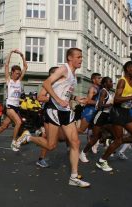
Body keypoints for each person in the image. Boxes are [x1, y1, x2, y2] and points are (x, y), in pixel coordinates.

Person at [16, 48, 91, 187]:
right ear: (70, 58)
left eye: (82, 57)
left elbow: (64, 93)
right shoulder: (64, 69)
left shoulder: (73, 76)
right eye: (79, 57)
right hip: (55, 110)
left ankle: (74, 177)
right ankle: (29, 137)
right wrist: (57, 99)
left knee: (76, 143)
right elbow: (45, 84)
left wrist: (76, 98)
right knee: (51, 145)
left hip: (66, 111)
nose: (81, 59)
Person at [0, 49, 28, 151]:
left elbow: (25, 66)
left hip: (16, 107)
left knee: (4, 126)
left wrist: (22, 55)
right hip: (9, 106)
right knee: (18, 122)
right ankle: (13, 143)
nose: (18, 75)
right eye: (17, 73)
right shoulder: (9, 80)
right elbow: (7, 65)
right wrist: (11, 53)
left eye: (19, 73)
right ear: (12, 73)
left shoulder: (19, 81)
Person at [80, 77, 114, 163]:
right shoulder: (103, 91)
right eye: (110, 82)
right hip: (100, 116)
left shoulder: (108, 92)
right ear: (105, 84)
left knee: (111, 134)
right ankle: (83, 153)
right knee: (95, 137)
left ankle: (107, 146)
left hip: (106, 116)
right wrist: (110, 105)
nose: (112, 83)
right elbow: (99, 106)